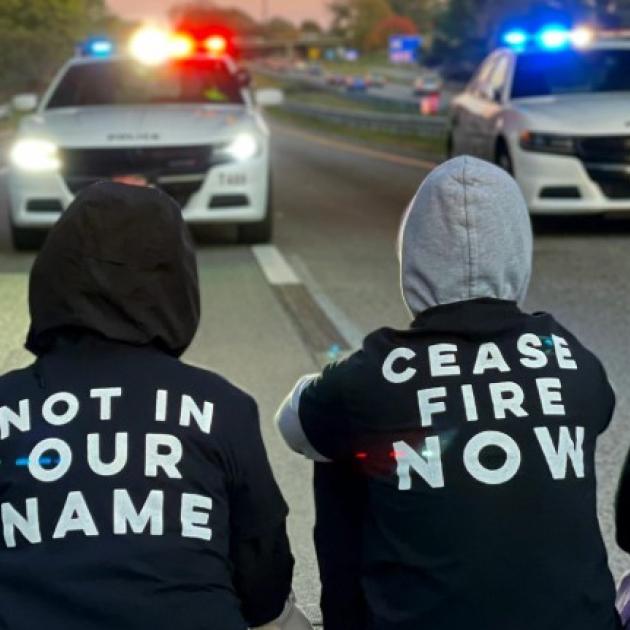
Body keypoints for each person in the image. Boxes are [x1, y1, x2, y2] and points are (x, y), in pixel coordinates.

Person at [276, 156, 620, 630]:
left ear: (415, 255)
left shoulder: (375, 369)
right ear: (518, 251)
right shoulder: (569, 357)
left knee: (342, 446)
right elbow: (600, 409)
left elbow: (293, 425)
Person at [0, 182, 303, 630]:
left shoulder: (8, 404)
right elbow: (264, 580)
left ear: (53, 276)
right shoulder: (221, 406)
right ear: (177, 284)